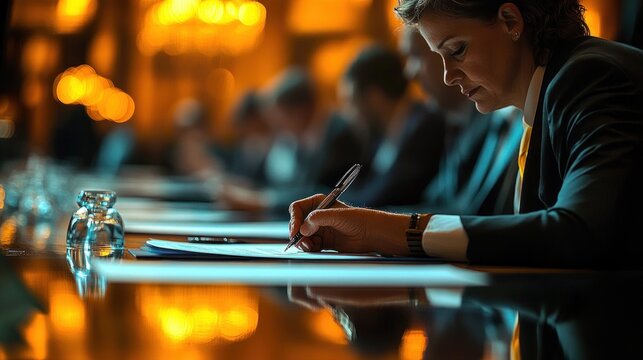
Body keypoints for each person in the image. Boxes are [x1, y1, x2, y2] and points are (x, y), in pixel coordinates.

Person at [289, 0, 643, 268]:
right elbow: (509, 227)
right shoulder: (542, 99)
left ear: (510, 20)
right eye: (439, 57)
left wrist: (393, 232)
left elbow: (578, 232)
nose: (447, 76)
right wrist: (370, 229)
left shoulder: (589, 76)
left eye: (457, 50)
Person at [338, 45, 446, 207]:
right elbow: (364, 190)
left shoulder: (425, 127)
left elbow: (384, 198)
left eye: (353, 102)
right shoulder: (381, 137)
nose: (349, 115)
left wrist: (333, 205)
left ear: (375, 97)